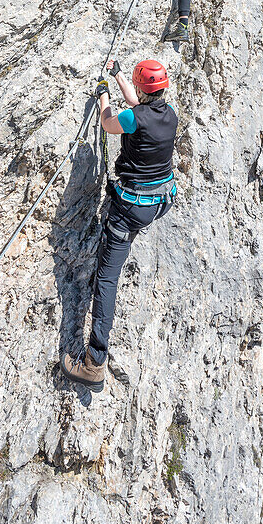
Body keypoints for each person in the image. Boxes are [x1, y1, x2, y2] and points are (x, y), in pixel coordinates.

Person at [61, 58, 177, 391]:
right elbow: (137, 106)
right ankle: (95, 358)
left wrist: (102, 96)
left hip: (130, 209)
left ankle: (95, 362)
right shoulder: (168, 115)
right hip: (159, 201)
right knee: (114, 262)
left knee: (107, 278)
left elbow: (110, 122)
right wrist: (116, 75)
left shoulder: (133, 118)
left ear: (142, 88)